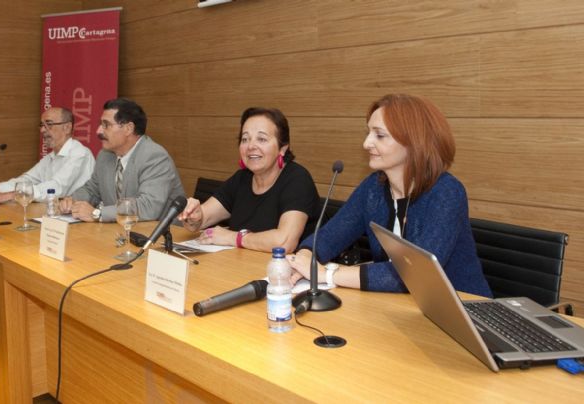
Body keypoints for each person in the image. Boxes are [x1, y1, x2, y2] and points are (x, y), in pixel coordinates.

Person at [287, 94, 492, 297]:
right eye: (368, 133)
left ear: (413, 142)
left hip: (465, 309)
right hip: (401, 306)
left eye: (380, 135)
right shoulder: (373, 188)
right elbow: (330, 236)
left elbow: (416, 274)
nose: (366, 143)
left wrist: (327, 274)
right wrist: (304, 260)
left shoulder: (447, 192)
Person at [178, 107, 320, 253]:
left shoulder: (297, 179)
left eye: (262, 139)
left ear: (282, 148)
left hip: (286, 271)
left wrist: (235, 238)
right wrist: (193, 215)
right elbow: (202, 220)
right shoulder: (242, 178)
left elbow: (284, 242)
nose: (251, 146)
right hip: (244, 265)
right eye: (245, 139)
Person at [59, 98, 185, 222]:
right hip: (121, 232)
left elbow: (149, 206)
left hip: (161, 235)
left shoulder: (154, 156)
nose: (98, 131)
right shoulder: (105, 155)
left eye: (106, 125)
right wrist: (72, 201)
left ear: (128, 128)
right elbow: (92, 190)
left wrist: (97, 213)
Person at [0, 107, 95, 203]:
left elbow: (56, 187)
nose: (42, 130)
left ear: (67, 127)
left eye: (48, 124)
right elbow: (27, 179)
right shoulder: (51, 157)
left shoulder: (80, 154)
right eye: (41, 125)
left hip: (80, 220)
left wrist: (11, 195)